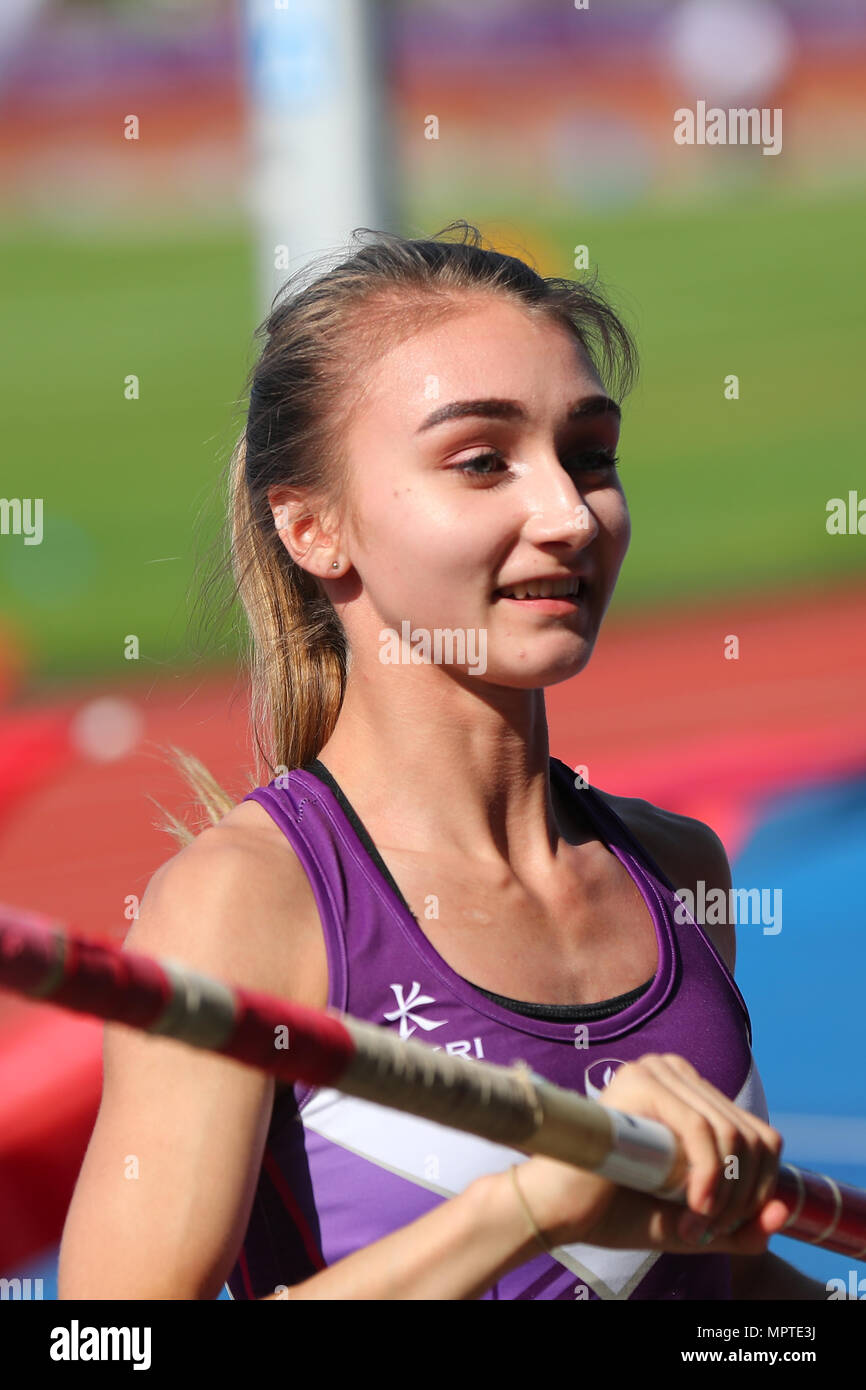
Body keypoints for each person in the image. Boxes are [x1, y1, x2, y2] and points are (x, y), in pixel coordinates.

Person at [58, 223, 822, 1301]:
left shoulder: (675, 868)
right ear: (313, 527)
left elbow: (711, 1298)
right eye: (480, 462)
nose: (566, 514)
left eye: (590, 456)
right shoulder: (246, 906)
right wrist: (526, 1207)